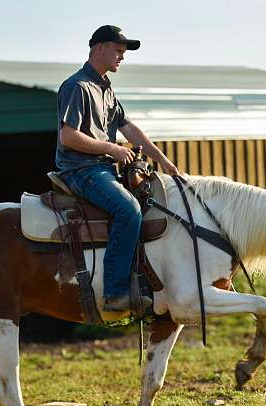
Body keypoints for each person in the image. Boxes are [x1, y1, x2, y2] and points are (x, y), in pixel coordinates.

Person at [55, 25, 179, 313]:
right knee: (128, 210)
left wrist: (163, 161)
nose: (122, 57)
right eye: (118, 51)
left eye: (123, 53)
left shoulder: (105, 87)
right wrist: (112, 149)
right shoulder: (77, 86)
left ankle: (145, 282)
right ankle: (115, 292)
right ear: (98, 48)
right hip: (81, 170)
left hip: (103, 169)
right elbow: (68, 136)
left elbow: (128, 127)